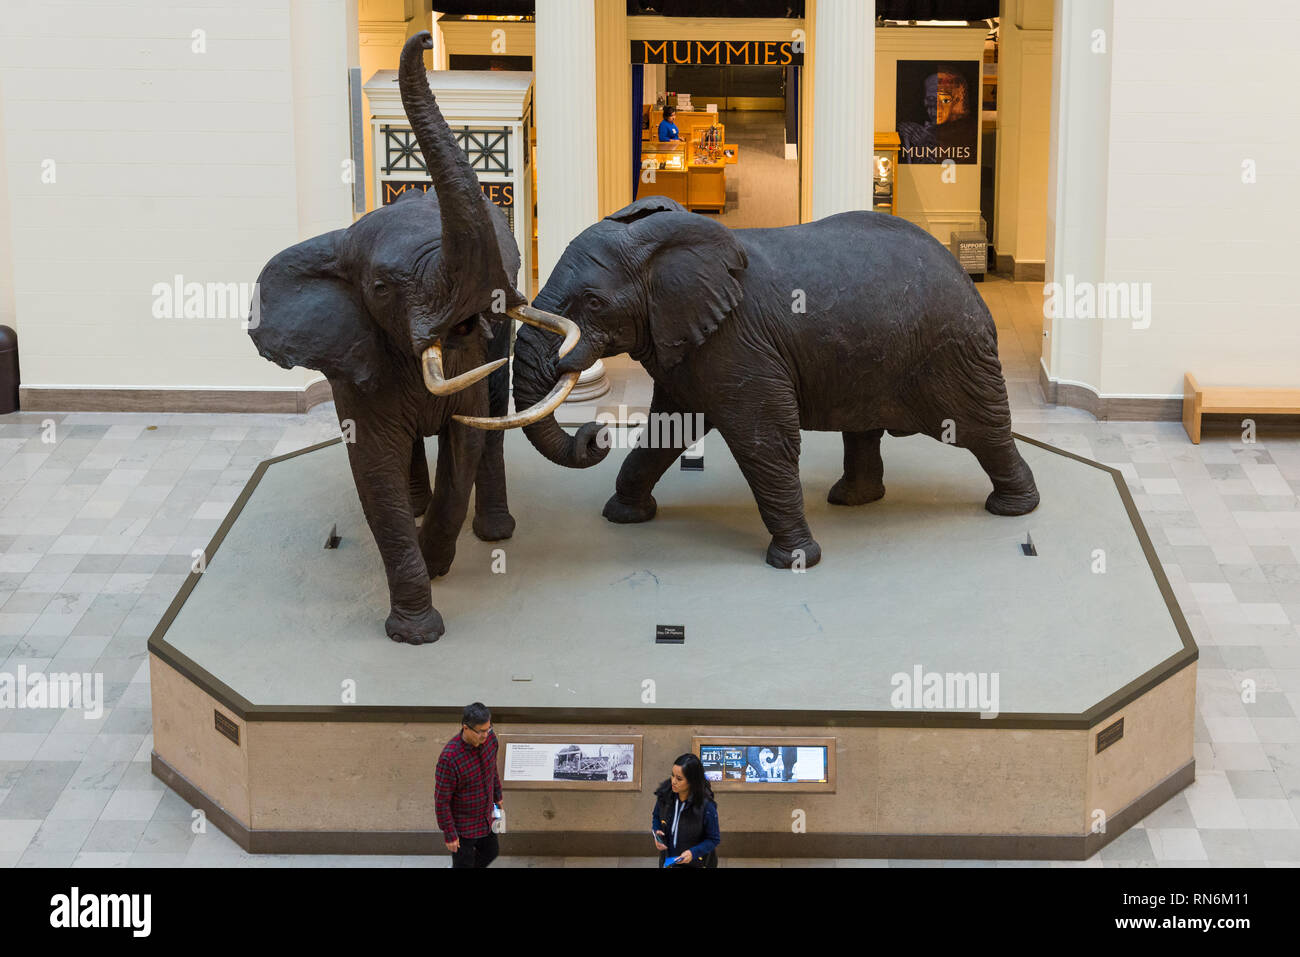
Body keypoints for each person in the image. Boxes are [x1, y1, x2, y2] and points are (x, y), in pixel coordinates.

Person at [435, 702, 502, 868]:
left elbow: (493, 770)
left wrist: (498, 797)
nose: (486, 735)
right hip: (463, 826)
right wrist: (449, 834)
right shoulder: (449, 759)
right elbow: (441, 801)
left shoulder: (491, 740)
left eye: (489, 728)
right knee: (463, 864)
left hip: (486, 816)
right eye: (481, 731)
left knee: (491, 851)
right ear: (466, 728)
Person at [651, 752, 721, 868]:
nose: (673, 781)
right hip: (668, 862)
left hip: (696, 863)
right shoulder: (665, 796)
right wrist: (657, 831)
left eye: (679, 779)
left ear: (692, 781)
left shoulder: (706, 806)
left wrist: (693, 853)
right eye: (672, 775)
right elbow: (656, 817)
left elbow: (713, 839)